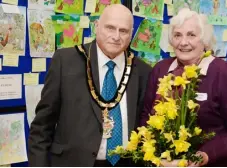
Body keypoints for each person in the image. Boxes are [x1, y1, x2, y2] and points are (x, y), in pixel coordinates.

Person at [28, 4, 152, 167]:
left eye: (123, 31)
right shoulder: (66, 62)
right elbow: (41, 128)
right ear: (96, 27)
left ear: (131, 35)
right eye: (110, 28)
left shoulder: (143, 71)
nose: (116, 36)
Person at [140, 8, 227, 167]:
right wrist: (149, 149)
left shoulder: (223, 73)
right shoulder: (160, 69)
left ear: (204, 40)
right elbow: (146, 115)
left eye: (191, 35)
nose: (183, 42)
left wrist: (205, 155)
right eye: (177, 35)